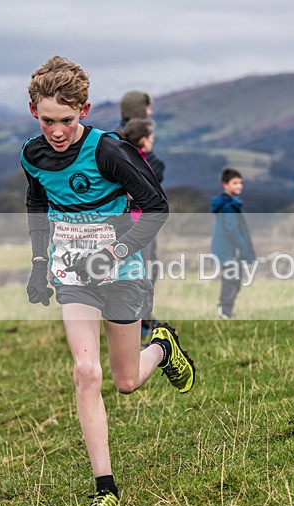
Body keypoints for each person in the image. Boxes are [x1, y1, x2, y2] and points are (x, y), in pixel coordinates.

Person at [22, 56, 195, 506]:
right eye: (47, 120)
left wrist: (116, 251)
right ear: (33, 110)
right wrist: (40, 265)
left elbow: (157, 206)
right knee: (85, 371)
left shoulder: (110, 151)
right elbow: (38, 205)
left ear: (85, 110)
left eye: (66, 120)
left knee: (125, 381)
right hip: (72, 274)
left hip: (122, 272)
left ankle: (161, 347)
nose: (56, 131)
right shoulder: (32, 154)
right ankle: (106, 489)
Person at [117, 93, 166, 336]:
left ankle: (141, 319)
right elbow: (155, 171)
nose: (151, 112)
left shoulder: (116, 139)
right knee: (143, 269)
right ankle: (143, 322)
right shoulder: (133, 144)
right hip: (139, 220)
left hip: (130, 218)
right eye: (148, 107)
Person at [210, 167, 256, 319]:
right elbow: (232, 229)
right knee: (231, 281)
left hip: (228, 250)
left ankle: (226, 310)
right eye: (235, 183)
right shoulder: (228, 205)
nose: (239, 186)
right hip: (229, 250)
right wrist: (241, 245)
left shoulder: (230, 203)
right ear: (225, 185)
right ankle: (224, 312)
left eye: (240, 183)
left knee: (234, 280)